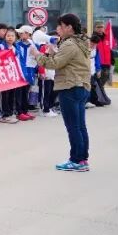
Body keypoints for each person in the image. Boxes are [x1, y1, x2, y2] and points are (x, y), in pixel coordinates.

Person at [36, 13, 92, 172]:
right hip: (81, 86)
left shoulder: (69, 44)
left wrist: (38, 55)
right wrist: (53, 51)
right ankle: (82, 159)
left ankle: (76, 160)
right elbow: (67, 62)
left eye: (60, 26)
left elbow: (54, 64)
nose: (58, 29)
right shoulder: (81, 41)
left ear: (69, 27)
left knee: (73, 127)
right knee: (80, 126)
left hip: (70, 86)